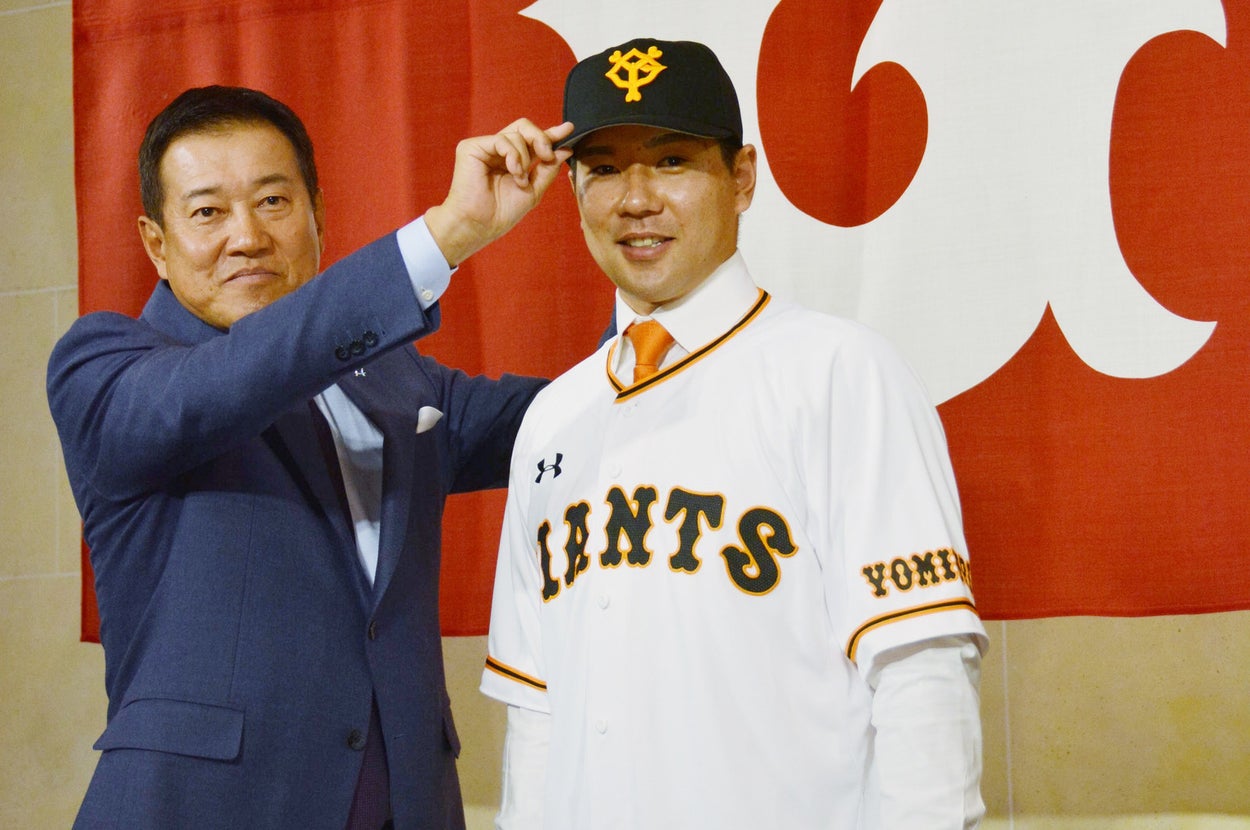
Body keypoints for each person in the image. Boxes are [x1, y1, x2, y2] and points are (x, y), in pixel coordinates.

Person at [480, 39, 989, 829]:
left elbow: (920, 672)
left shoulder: (838, 372)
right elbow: (539, 709)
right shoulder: (555, 417)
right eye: (604, 168)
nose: (636, 199)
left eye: (672, 161)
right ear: (573, 189)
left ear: (742, 178)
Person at [47, 85, 572, 830]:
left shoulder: (399, 379)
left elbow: (573, 414)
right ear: (156, 244)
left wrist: (668, 303)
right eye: (208, 212)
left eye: (272, 201)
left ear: (318, 214)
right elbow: (241, 376)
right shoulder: (105, 367)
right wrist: (445, 235)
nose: (247, 237)